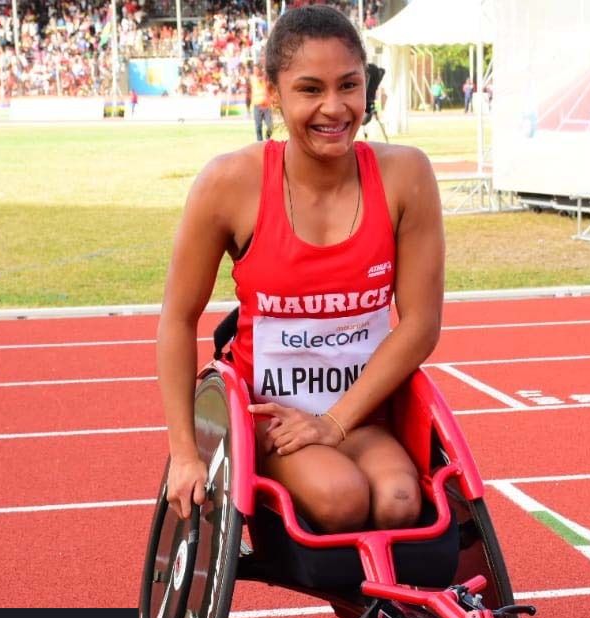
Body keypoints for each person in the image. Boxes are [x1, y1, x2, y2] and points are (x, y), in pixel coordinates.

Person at [159, 5, 445, 535]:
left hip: (358, 413)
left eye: (349, 85)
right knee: (341, 498)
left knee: (401, 500)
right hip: (270, 421)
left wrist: (334, 422)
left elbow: (422, 324)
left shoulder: (407, 175)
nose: (333, 108)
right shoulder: (229, 184)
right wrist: (184, 453)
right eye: (310, 89)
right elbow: (178, 319)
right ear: (274, 93)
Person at [247, 64, 274, 141]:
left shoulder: (266, 78)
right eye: (254, 70)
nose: (255, 71)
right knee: (258, 127)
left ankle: (267, 139)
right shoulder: (251, 79)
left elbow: (271, 88)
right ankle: (260, 143)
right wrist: (248, 106)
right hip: (257, 105)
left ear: (260, 70)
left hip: (267, 106)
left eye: (256, 70)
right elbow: (248, 92)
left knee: (270, 126)